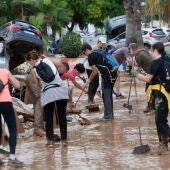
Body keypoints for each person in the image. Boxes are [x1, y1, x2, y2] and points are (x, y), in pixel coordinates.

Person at [131, 42, 170, 154]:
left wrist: (136, 75)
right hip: (164, 94)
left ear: (155, 51)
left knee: (160, 121)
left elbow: (148, 79)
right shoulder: (165, 62)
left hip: (161, 95)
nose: (149, 53)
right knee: (159, 120)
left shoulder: (155, 63)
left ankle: (165, 142)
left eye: (151, 50)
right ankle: (163, 146)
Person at [25, 51, 69, 145]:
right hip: (61, 89)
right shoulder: (48, 60)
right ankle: (64, 140)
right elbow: (59, 64)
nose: (30, 64)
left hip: (48, 93)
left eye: (29, 62)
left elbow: (39, 85)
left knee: (49, 117)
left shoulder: (34, 70)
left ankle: (50, 141)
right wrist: (46, 57)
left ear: (32, 60)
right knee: (62, 116)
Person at [81, 43, 118, 121]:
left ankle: (107, 116)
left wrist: (89, 80)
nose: (85, 55)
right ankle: (111, 115)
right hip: (114, 73)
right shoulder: (98, 51)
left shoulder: (91, 57)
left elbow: (94, 72)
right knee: (108, 93)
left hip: (107, 75)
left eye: (84, 53)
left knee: (106, 94)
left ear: (86, 50)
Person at [0, 68, 23, 164]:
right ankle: (12, 157)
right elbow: (18, 85)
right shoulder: (5, 71)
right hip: (5, 102)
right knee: (12, 129)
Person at [128, 43, 153, 113]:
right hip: (153, 71)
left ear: (133, 50)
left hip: (151, 74)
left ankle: (150, 106)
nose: (129, 52)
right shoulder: (143, 50)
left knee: (148, 90)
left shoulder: (138, 56)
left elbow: (139, 69)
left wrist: (134, 73)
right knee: (152, 90)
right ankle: (152, 105)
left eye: (130, 50)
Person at [24, 69, 45, 137]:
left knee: (36, 103)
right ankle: (38, 128)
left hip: (28, 76)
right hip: (33, 77)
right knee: (40, 99)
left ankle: (37, 127)